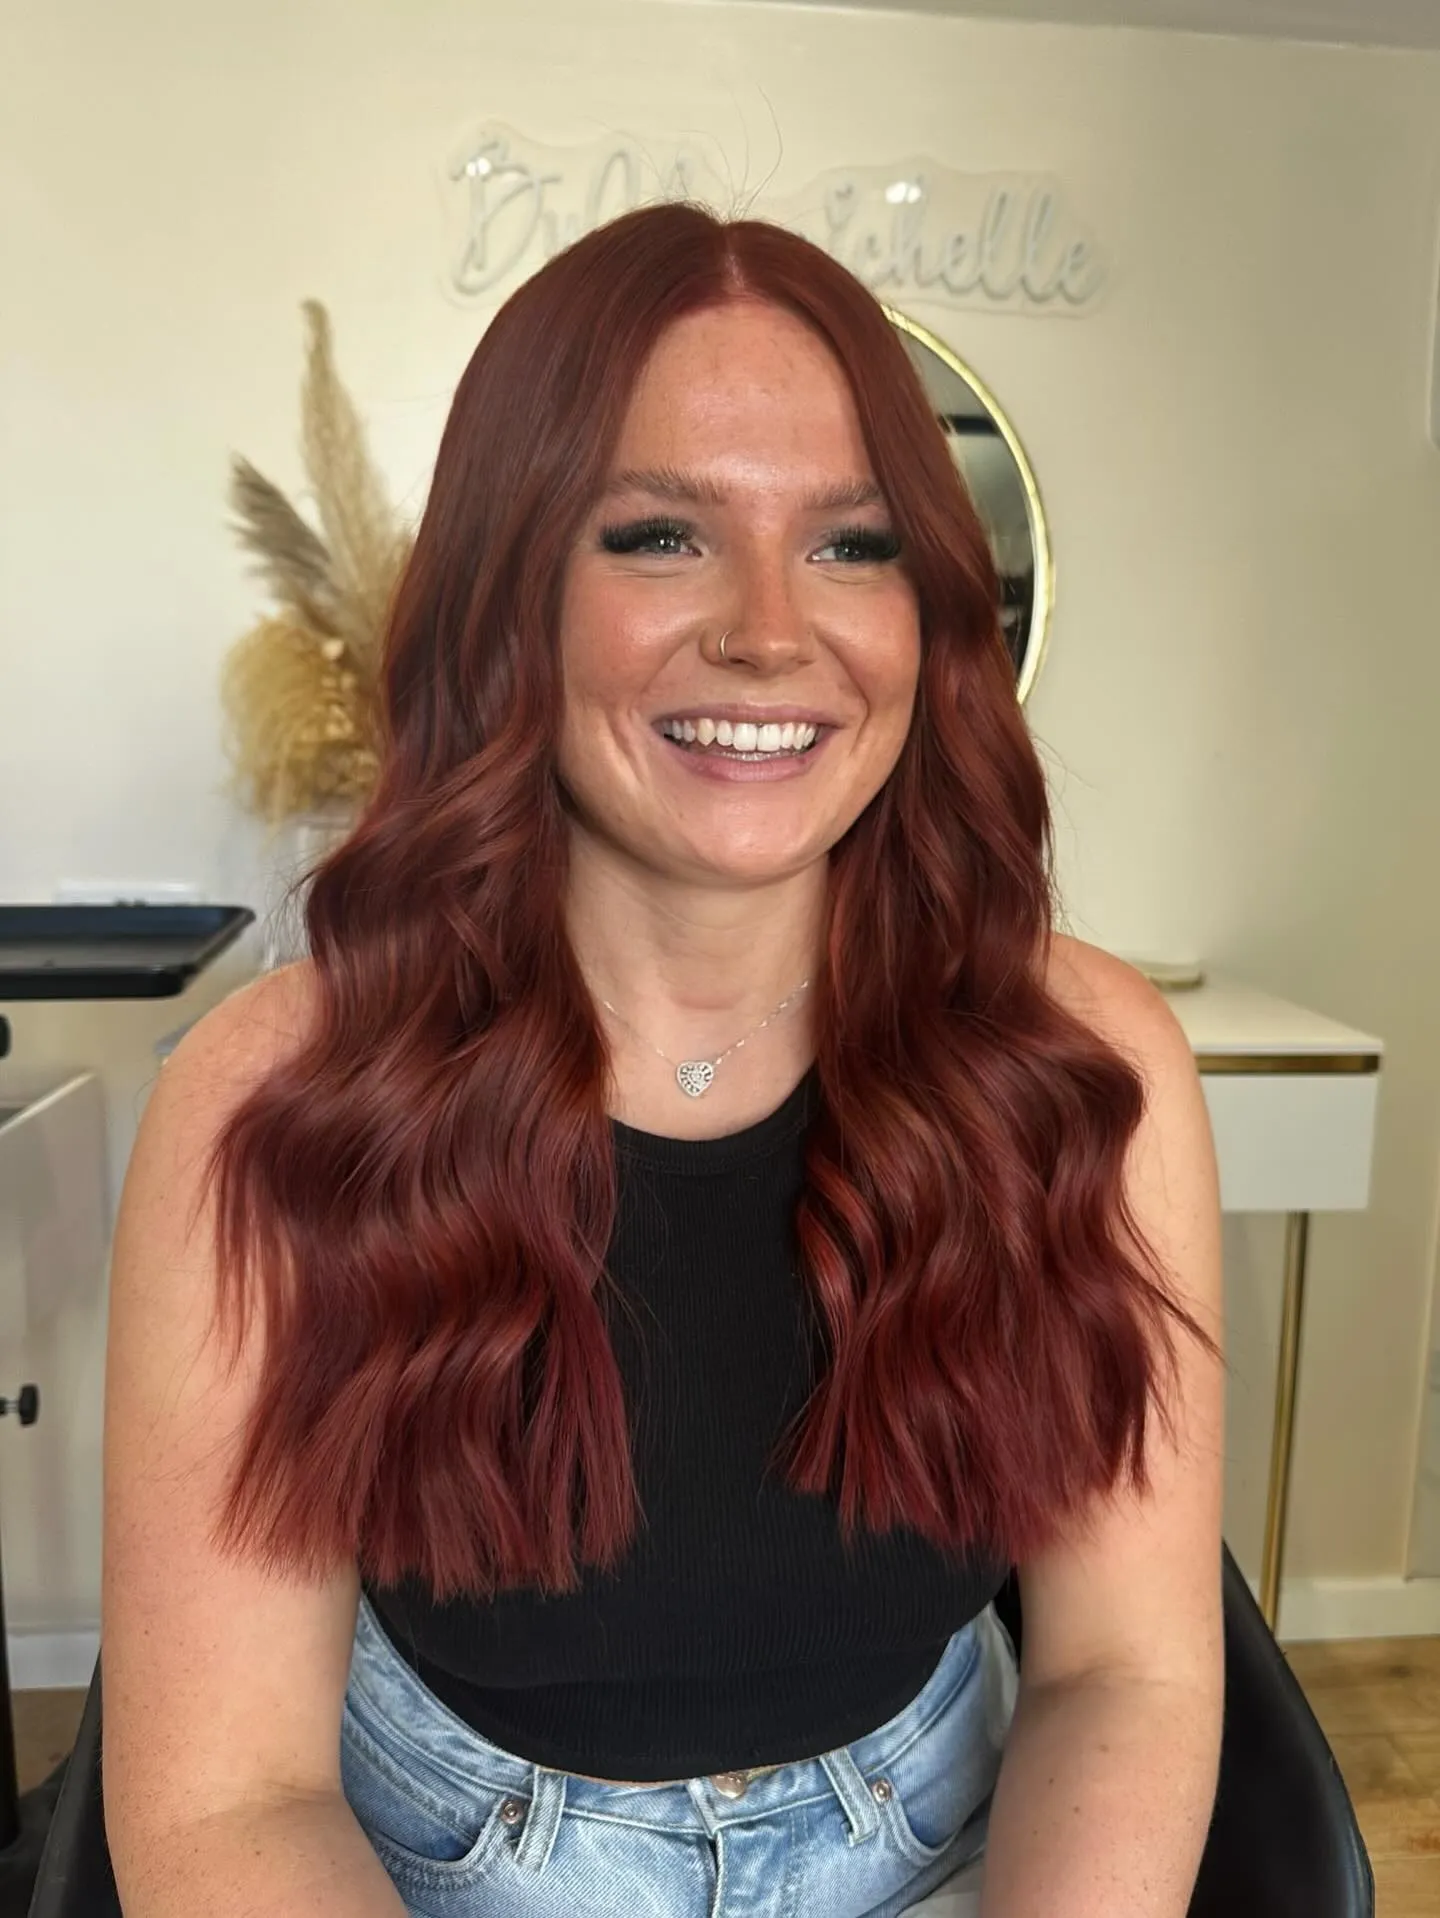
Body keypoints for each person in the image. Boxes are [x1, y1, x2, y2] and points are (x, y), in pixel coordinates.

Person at [101, 202, 1226, 1918]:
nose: (771, 632)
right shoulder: (274, 1105)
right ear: (508, 593)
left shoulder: (1084, 1066)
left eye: (852, 544)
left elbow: (1124, 1674)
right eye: (660, 536)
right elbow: (228, 1798)